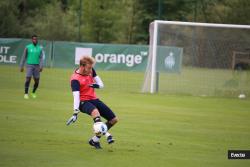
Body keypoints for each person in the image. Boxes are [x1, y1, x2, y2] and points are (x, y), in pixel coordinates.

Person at [66, 56, 118, 149]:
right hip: (83, 102)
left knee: (113, 120)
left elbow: (102, 84)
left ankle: (94, 140)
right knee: (95, 113)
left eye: (91, 68)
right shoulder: (75, 79)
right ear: (82, 66)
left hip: (94, 99)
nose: (90, 70)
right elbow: (76, 96)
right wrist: (75, 112)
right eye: (89, 68)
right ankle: (108, 136)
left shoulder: (91, 70)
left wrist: (97, 86)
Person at [20, 35, 44, 99]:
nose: (35, 40)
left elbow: (41, 58)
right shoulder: (28, 47)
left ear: (37, 40)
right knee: (28, 79)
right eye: (34, 39)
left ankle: (33, 92)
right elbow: (24, 57)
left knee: (37, 81)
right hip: (29, 65)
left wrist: (41, 66)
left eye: (36, 39)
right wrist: (21, 66)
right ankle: (26, 93)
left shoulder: (40, 48)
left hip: (37, 66)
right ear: (32, 40)